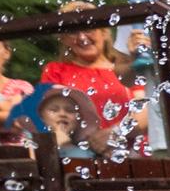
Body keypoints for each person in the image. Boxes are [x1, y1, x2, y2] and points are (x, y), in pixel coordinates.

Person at [36, 11, 139, 149]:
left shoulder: (127, 70)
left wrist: (114, 133)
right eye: (73, 32)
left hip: (128, 150)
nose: (82, 37)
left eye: (88, 29)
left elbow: (144, 113)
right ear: (64, 39)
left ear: (104, 32)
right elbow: (50, 115)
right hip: (77, 152)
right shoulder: (56, 71)